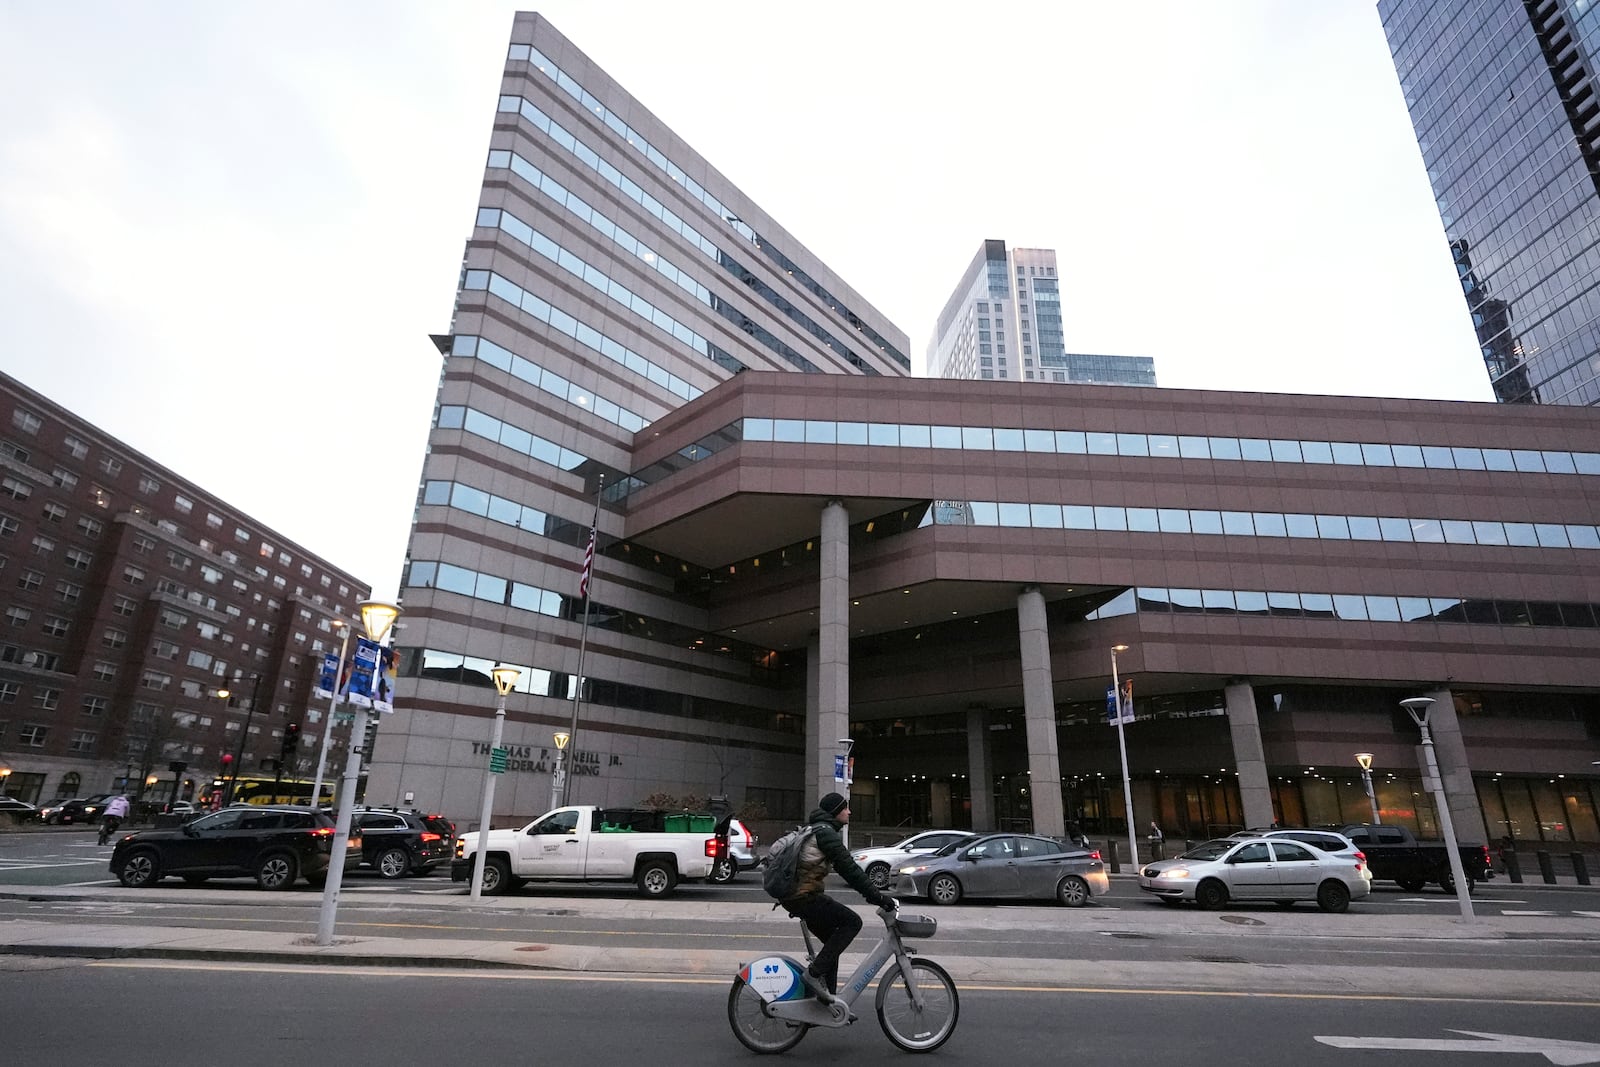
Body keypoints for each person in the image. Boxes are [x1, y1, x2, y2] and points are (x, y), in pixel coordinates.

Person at [778, 791, 894, 999]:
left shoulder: (817, 829)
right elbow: (850, 870)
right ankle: (813, 976)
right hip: (803, 897)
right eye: (845, 808)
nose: (849, 812)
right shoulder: (825, 834)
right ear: (835, 811)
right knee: (852, 922)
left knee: (832, 945)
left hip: (798, 897)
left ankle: (825, 1002)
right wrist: (878, 898)